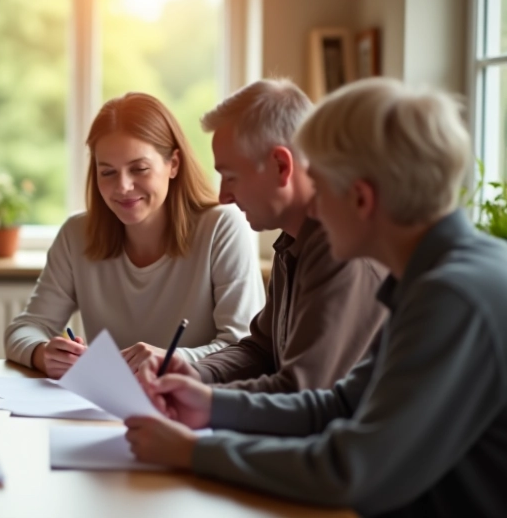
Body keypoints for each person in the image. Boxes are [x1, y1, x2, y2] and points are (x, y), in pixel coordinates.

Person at [125, 78, 507, 517]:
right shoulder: (433, 278)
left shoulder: (451, 298)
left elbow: (351, 471)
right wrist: (209, 404)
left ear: (361, 198)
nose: (314, 208)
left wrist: (193, 454)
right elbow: (341, 404)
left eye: (321, 187)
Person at [136, 79, 386, 392]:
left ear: (281, 166)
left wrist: (199, 399)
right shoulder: (292, 244)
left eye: (231, 177)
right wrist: (193, 374)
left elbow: (300, 393)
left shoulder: (341, 249)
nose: (223, 196)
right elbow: (261, 350)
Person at [4, 92, 265, 379]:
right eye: (107, 172)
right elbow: (24, 328)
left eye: (139, 169)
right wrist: (43, 354)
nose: (123, 187)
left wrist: (171, 359)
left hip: (194, 407)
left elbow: (242, 349)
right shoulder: (76, 234)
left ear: (173, 164)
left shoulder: (222, 227)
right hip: (103, 409)